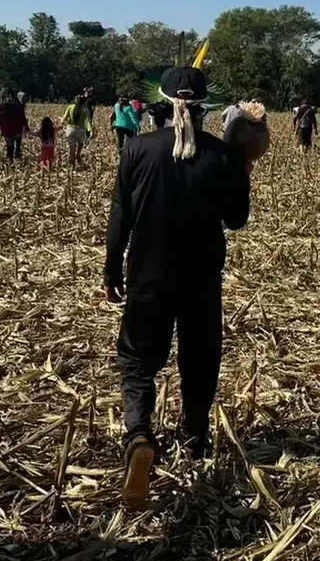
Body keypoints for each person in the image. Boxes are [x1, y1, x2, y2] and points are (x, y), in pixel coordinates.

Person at [103, 63, 253, 509]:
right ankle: (195, 439)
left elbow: (120, 215)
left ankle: (139, 434)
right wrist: (243, 167)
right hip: (201, 279)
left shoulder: (137, 149)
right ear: (203, 106)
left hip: (147, 277)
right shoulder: (222, 156)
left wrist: (112, 269)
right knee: (199, 359)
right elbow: (236, 220)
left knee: (137, 358)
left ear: (163, 103)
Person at [0, 90, 29, 163]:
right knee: (17, 144)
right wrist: (26, 127)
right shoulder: (18, 105)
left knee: (10, 146)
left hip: (7, 130)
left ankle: (10, 160)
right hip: (17, 129)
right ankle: (17, 157)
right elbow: (23, 118)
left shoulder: (3, 105)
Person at [62, 95, 90, 167]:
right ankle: (78, 154)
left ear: (75, 100)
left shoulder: (70, 107)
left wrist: (63, 123)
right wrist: (90, 130)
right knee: (80, 143)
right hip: (80, 130)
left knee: (72, 148)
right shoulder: (85, 110)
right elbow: (88, 122)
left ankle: (72, 163)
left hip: (70, 130)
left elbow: (64, 118)